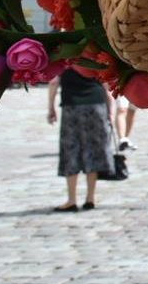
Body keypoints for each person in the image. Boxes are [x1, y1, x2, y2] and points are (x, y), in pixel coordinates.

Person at [47, 67, 112, 212]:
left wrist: (51, 107)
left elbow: (53, 82)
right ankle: (90, 198)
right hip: (96, 104)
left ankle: (72, 199)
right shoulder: (94, 55)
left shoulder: (65, 57)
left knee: (71, 150)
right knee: (93, 149)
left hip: (72, 105)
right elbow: (106, 84)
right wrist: (110, 111)